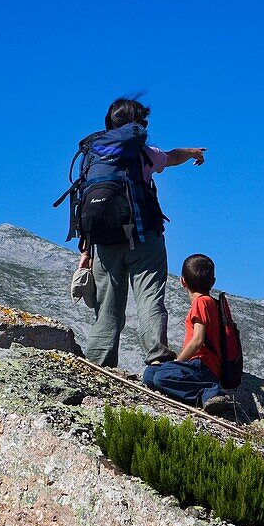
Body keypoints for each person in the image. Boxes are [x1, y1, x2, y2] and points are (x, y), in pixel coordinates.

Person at [78, 97, 207, 368]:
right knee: (149, 296)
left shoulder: (93, 155)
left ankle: (99, 363)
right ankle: (157, 358)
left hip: (103, 242)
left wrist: (86, 252)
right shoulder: (144, 153)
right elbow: (172, 157)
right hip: (143, 237)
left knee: (108, 305)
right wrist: (193, 152)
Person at [143, 254, 233, 414]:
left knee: (161, 376)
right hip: (198, 367)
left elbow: (197, 340)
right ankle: (190, 392)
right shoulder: (210, 302)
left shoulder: (201, 303)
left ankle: (209, 392)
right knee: (150, 374)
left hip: (202, 366)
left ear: (182, 281)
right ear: (213, 282)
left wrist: (178, 361)